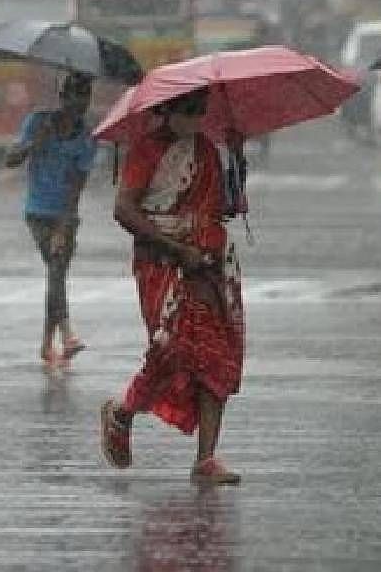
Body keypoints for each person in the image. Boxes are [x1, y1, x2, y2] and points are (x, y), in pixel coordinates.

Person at [99, 87, 246, 485]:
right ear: (167, 110)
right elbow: (124, 210)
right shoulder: (147, 150)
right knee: (173, 350)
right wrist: (177, 249)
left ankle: (206, 459)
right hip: (163, 265)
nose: (196, 119)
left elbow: (227, 208)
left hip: (210, 266)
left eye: (202, 111)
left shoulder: (209, 152)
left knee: (217, 358)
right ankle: (123, 412)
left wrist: (237, 162)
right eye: (189, 110)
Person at [4, 72, 97, 366]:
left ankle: (48, 344)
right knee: (57, 271)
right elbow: (10, 160)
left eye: (84, 99)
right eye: (73, 98)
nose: (78, 106)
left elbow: (76, 187)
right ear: (63, 98)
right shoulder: (37, 122)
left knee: (56, 273)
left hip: (65, 215)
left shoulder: (85, 138)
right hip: (37, 211)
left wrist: (63, 227)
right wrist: (35, 143)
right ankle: (66, 334)